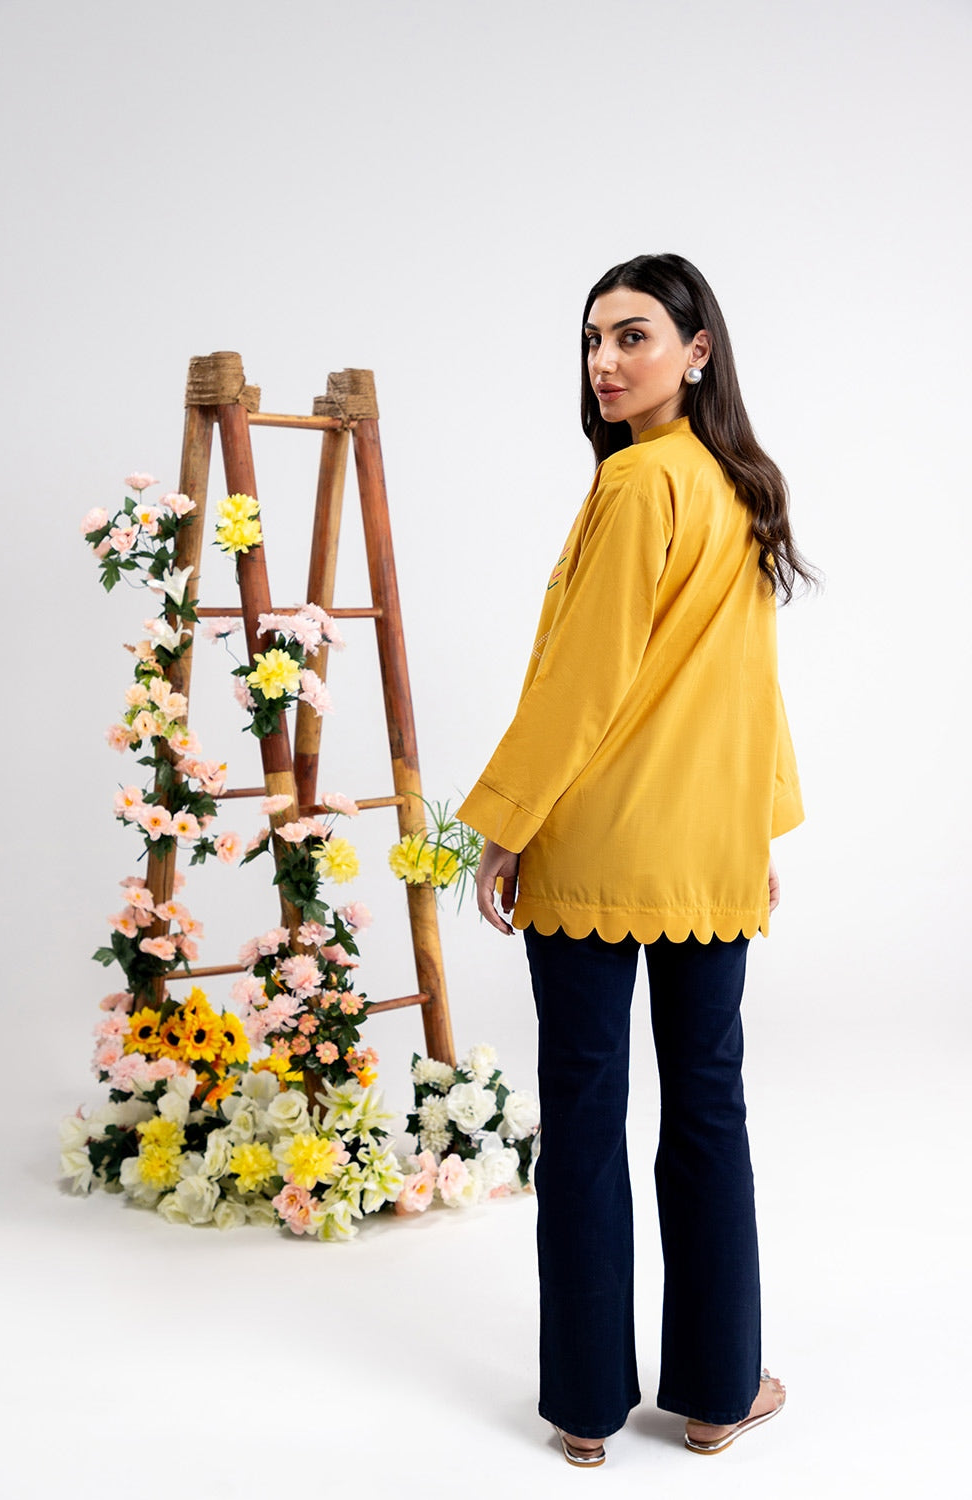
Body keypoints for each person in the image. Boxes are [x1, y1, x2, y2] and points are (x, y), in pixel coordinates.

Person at [457, 253, 811, 1467]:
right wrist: (753, 829)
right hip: (702, 848)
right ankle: (717, 1393)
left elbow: (581, 680)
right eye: (593, 340)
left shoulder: (635, 482)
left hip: (598, 846)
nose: (604, 362)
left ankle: (584, 1410)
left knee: (584, 1112)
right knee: (708, 1107)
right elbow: (752, 691)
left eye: (632, 336)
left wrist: (505, 823)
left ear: (697, 351)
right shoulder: (740, 485)